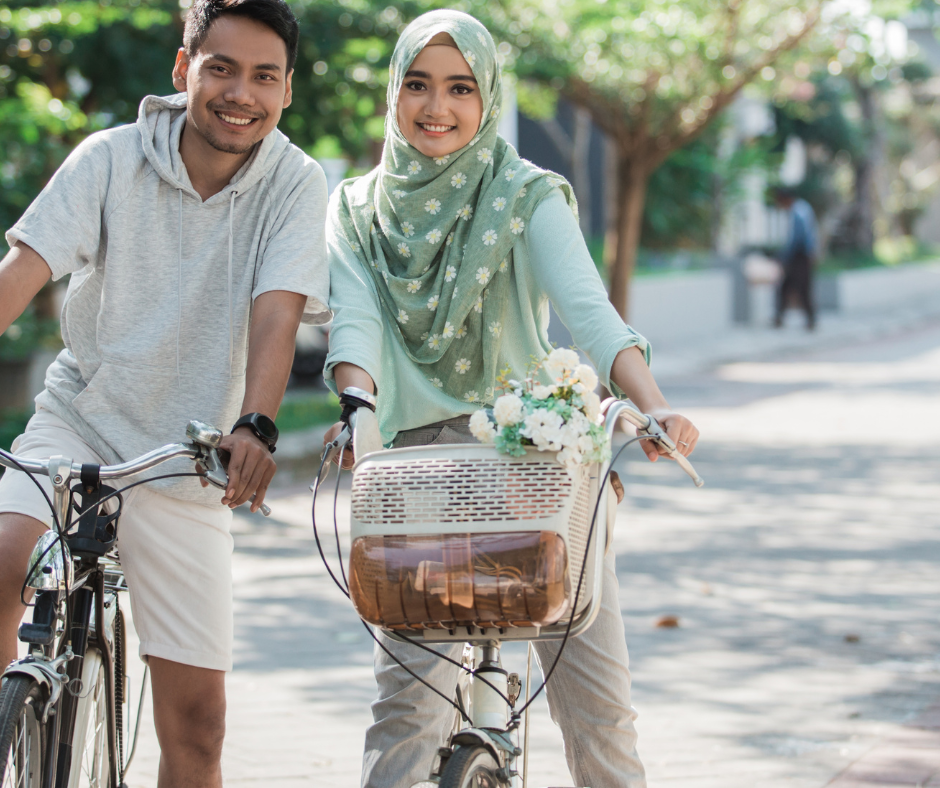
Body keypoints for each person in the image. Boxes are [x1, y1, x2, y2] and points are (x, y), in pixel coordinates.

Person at [322, 10, 698, 788]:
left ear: (487, 97)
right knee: (407, 708)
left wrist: (653, 404)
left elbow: (590, 315)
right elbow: (353, 323)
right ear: (393, 94)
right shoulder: (356, 211)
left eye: (461, 88)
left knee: (597, 707)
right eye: (419, 85)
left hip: (535, 467)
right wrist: (357, 405)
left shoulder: (524, 194)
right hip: (415, 479)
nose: (437, 108)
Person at [0, 0, 329, 784]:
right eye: (220, 68)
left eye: (263, 76)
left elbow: (277, 314)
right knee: (0, 556)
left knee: (198, 731)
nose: (239, 93)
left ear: (285, 92)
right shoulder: (110, 157)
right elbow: (22, 271)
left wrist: (256, 423)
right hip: (79, 423)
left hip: (188, 457)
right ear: (184, 71)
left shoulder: (295, 183)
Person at [773, 186, 820, 331]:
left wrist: (785, 256)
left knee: (802, 287)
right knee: (786, 286)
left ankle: (811, 320)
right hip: (802, 255)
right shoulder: (802, 208)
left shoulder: (798, 211)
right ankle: (780, 317)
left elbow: (798, 238)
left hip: (801, 256)